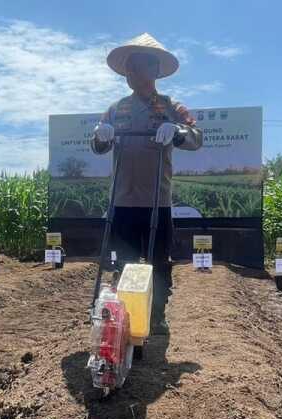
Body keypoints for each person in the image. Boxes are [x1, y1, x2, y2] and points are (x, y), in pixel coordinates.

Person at [90, 33, 203, 335]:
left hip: (157, 200)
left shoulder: (171, 107)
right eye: (128, 68)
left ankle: (158, 314)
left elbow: (196, 137)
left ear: (153, 70)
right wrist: (100, 136)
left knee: (158, 261)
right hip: (123, 201)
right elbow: (98, 145)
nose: (130, 73)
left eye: (136, 67)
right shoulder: (115, 109)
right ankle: (124, 311)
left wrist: (177, 131)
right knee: (122, 261)